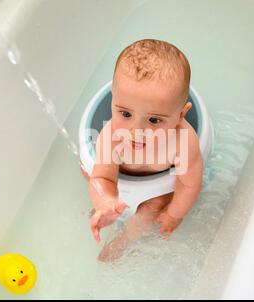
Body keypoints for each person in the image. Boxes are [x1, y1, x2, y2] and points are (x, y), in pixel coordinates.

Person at [80, 39, 203, 261]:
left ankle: (123, 240)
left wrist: (175, 214)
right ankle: (104, 212)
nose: (136, 130)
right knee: (87, 171)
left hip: (157, 187)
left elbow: (189, 183)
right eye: (125, 114)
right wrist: (105, 201)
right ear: (113, 102)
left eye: (154, 120)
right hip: (120, 175)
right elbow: (103, 178)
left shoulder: (182, 141)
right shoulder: (111, 136)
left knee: (154, 206)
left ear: (181, 115)